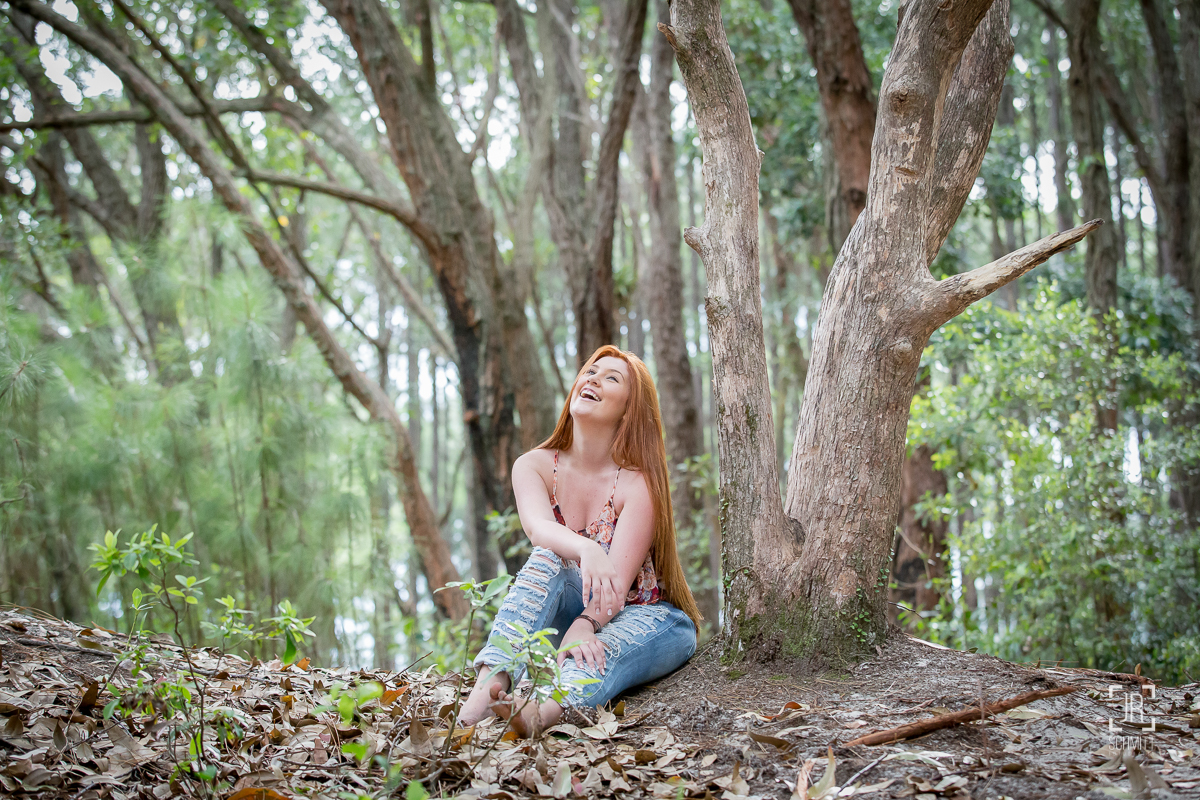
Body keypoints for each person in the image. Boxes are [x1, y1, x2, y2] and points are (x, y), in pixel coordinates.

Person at [458, 345, 702, 736]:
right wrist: (586, 547)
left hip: (646, 617)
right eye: (590, 371)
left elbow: (615, 589)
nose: (593, 379)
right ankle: (482, 697)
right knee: (548, 557)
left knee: (600, 647)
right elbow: (539, 529)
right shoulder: (534, 466)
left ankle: (540, 713)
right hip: (570, 608)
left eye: (611, 378)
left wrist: (586, 625)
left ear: (629, 409)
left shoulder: (638, 484)